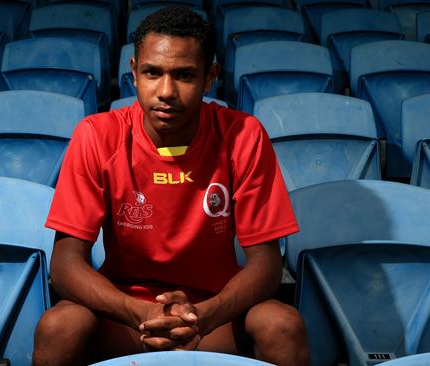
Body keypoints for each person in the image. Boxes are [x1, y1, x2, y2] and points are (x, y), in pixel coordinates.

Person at [33, 6, 309, 366]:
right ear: (133, 73)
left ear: (209, 77)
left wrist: (203, 316)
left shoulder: (244, 135)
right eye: (152, 72)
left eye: (184, 75)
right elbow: (67, 263)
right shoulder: (98, 135)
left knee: (283, 325)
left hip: (215, 312)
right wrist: (137, 310)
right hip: (125, 312)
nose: (166, 91)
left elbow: (267, 264)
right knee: (58, 326)